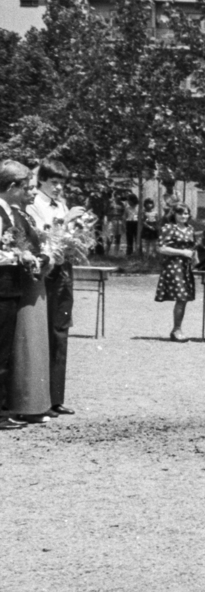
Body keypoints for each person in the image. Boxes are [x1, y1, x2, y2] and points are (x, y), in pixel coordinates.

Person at [0, 160, 46, 429]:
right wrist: (18, 256)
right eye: (24, 186)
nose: (28, 191)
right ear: (12, 186)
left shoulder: (8, 212)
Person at [29, 160, 75, 416]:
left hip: (64, 270)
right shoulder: (35, 204)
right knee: (41, 332)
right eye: (54, 182)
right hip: (46, 270)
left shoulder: (61, 204)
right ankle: (39, 398)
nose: (58, 188)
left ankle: (56, 397)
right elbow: (44, 237)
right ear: (42, 181)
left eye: (61, 183)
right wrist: (67, 224)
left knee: (60, 329)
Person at [154, 204, 199, 342]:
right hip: (173, 266)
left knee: (183, 298)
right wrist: (182, 252)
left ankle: (177, 329)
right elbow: (161, 248)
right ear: (174, 214)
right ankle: (177, 330)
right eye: (180, 213)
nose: (183, 216)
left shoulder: (190, 229)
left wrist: (194, 259)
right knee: (181, 296)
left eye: (186, 214)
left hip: (186, 266)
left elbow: (192, 247)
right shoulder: (168, 228)